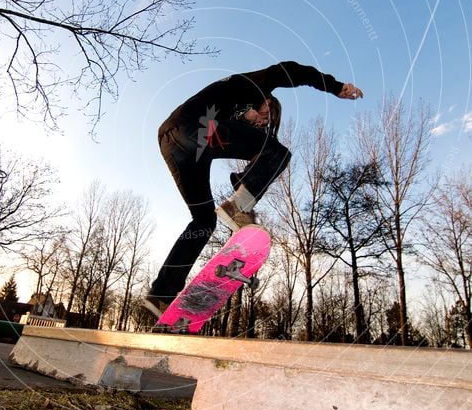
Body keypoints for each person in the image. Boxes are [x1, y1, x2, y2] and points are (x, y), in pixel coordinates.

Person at [144, 60, 363, 315]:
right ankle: (238, 206)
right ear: (267, 101)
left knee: (203, 221)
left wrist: (245, 177)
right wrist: (334, 87)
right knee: (277, 152)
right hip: (193, 126)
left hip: (175, 144)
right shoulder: (255, 86)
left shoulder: (231, 118)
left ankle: (161, 293)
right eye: (265, 115)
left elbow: (252, 150)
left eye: (264, 123)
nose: (261, 122)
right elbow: (289, 70)